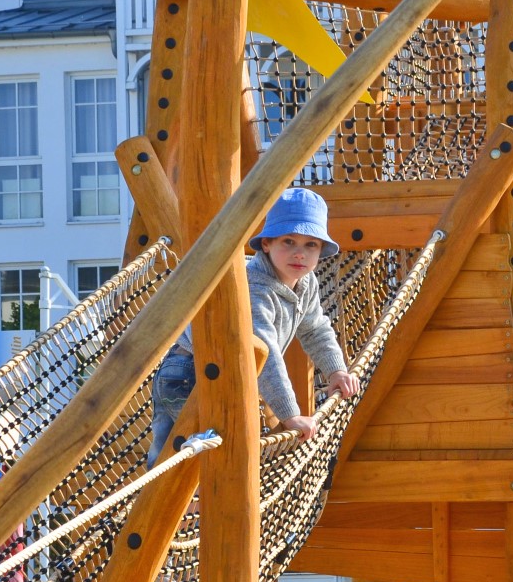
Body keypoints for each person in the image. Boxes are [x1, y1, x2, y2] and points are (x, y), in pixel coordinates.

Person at [149, 187, 360, 461]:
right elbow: (265, 350)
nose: (300, 254)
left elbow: (315, 328)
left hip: (226, 372)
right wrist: (291, 415)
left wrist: (336, 371)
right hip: (189, 373)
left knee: (205, 457)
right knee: (187, 457)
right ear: (266, 244)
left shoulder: (306, 283)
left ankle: (192, 504)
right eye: (289, 242)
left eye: (311, 245)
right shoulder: (254, 286)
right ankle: (179, 504)